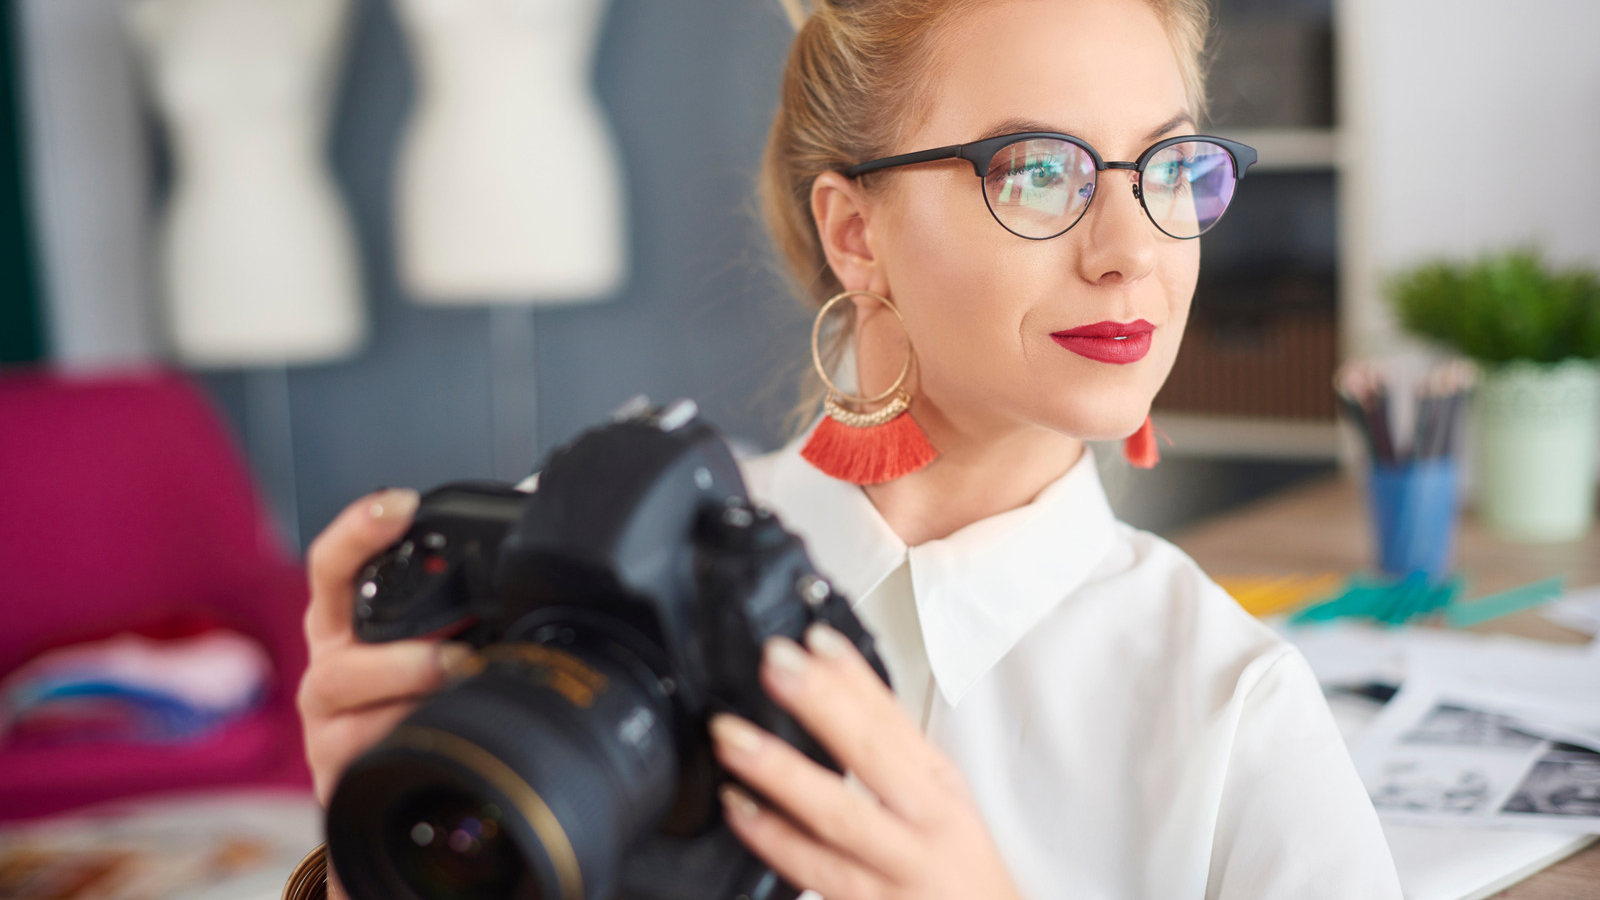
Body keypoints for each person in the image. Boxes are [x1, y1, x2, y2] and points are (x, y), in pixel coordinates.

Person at [294, 0, 1405, 897]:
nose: (1131, 251)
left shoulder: (1231, 705)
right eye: (1036, 171)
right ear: (855, 232)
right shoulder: (574, 581)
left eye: (1166, 171)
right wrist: (372, 866)